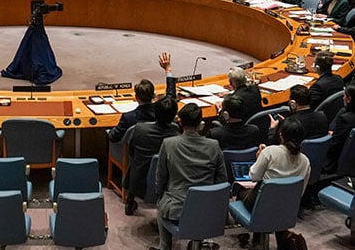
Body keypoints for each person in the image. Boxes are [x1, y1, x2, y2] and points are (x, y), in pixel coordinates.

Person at [152, 103, 227, 250]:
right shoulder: (214, 145)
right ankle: (199, 240)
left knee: (162, 202)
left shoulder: (169, 144)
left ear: (179, 122)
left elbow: (160, 177)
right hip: (208, 208)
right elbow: (222, 180)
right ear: (201, 123)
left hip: (176, 208)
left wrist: (160, 196)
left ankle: (164, 246)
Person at [237, 118, 310, 250]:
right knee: (275, 205)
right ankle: (275, 239)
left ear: (281, 134)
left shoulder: (269, 152)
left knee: (239, 190)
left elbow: (254, 177)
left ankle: (250, 237)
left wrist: (259, 158)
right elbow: (301, 192)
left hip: (261, 205)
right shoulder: (306, 161)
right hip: (287, 208)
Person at [123, 53, 180, 215]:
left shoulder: (140, 129)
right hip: (168, 179)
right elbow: (170, 96)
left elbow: (131, 150)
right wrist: (168, 69)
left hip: (140, 177)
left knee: (135, 159)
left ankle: (130, 200)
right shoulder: (175, 134)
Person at [108, 53, 177, 142]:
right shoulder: (164, 111)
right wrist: (168, 70)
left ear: (136, 97)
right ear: (154, 95)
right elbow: (171, 96)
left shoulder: (128, 117)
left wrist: (110, 130)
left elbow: (113, 137)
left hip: (135, 154)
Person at [324, 83, 355, 173]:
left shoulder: (345, 119)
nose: (343, 98)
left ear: (349, 99)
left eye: (344, 96)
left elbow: (334, 145)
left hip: (334, 161)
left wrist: (331, 136)